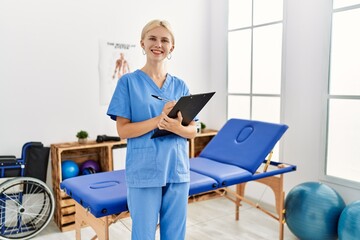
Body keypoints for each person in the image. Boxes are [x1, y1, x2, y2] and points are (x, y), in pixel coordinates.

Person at [107, 19, 197, 240]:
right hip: (144, 169)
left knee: (175, 235)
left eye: (165, 40)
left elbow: (193, 130)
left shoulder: (180, 86)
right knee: (143, 234)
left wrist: (177, 127)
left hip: (177, 169)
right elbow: (123, 131)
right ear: (142, 43)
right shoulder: (128, 83)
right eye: (153, 38)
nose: (159, 44)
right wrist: (159, 119)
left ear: (171, 48)